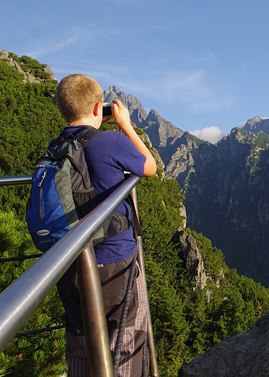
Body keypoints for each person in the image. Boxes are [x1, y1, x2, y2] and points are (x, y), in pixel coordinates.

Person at [53, 74, 157, 376]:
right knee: (126, 339)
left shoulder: (57, 147)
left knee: (79, 340)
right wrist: (125, 125)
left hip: (69, 262)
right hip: (114, 261)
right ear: (99, 108)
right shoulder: (109, 141)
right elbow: (148, 166)